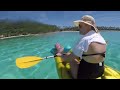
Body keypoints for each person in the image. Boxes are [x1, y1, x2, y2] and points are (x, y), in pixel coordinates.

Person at [56, 15, 107, 79]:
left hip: (86, 76)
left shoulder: (85, 39)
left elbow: (68, 58)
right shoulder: (100, 38)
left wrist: (61, 56)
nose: (78, 28)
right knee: (80, 57)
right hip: (100, 71)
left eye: (80, 26)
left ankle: (59, 50)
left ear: (88, 26)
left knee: (71, 60)